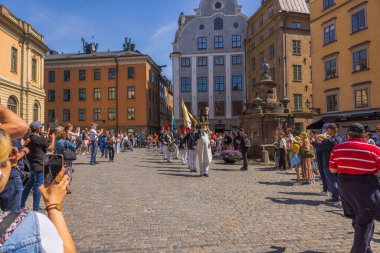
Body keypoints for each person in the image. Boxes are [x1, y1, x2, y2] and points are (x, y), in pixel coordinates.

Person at [329, 123, 380, 253]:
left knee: (359, 217)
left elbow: (332, 169)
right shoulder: (374, 149)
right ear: (364, 135)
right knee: (364, 220)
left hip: (346, 188)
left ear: (348, 134)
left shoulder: (337, 148)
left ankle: (367, 248)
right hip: (366, 188)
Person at [21, 121, 55, 211]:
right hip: (39, 164)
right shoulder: (39, 139)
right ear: (38, 129)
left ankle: (21, 205)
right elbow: (51, 148)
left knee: (29, 186)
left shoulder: (28, 138)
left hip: (32, 164)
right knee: (38, 185)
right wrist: (53, 139)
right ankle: (36, 207)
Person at [318, 124, 341, 204]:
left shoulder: (330, 140)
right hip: (338, 162)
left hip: (328, 162)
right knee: (337, 180)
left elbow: (319, 147)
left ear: (331, 130)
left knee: (332, 181)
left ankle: (335, 197)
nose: (326, 131)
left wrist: (315, 141)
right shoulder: (339, 139)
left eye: (327, 129)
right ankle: (339, 196)